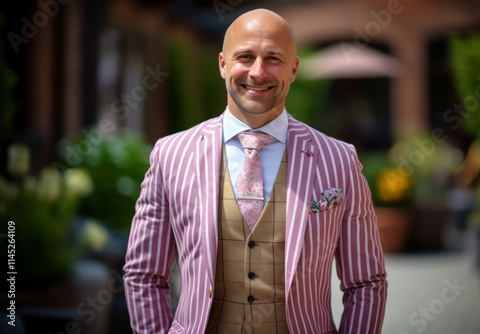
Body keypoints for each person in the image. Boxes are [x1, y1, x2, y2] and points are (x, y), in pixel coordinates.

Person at [123, 8, 387, 334]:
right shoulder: (171, 155)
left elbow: (366, 283)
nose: (258, 72)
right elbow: (145, 276)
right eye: (245, 56)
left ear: (294, 68)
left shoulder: (339, 160)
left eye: (273, 58)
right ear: (222, 64)